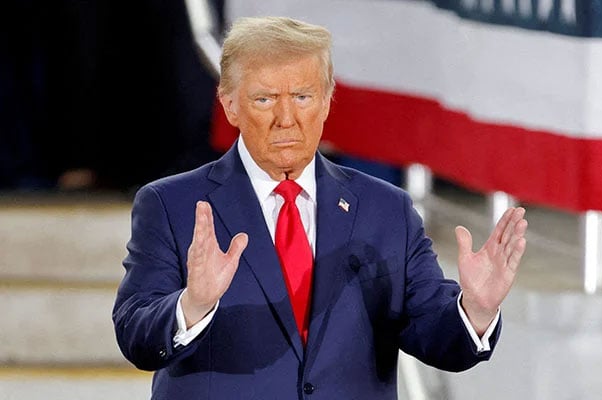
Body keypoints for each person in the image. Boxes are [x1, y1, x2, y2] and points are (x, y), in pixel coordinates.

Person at [112, 16, 528, 400]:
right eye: (264, 99)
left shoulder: (385, 210)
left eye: (303, 96)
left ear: (328, 100)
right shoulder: (171, 204)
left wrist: (476, 309)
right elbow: (136, 335)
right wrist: (193, 305)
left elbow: (434, 336)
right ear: (229, 104)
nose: (286, 118)